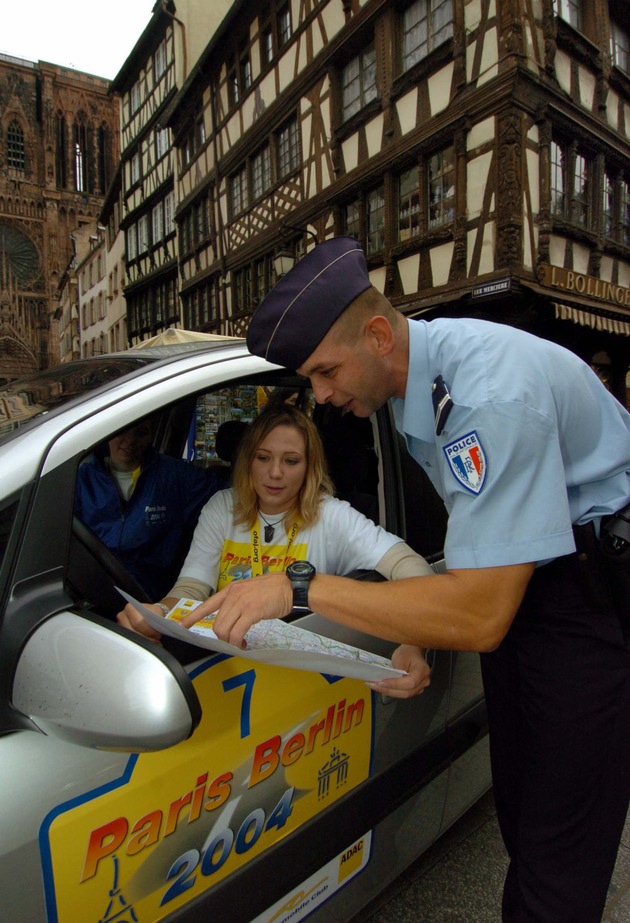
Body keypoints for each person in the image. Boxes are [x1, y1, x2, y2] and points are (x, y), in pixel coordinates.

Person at [184, 237, 630, 923]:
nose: (324, 397)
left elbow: (481, 615)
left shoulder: (486, 394)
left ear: (380, 335)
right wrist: (415, 627)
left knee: (557, 864)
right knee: (524, 815)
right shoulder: (412, 385)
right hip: (534, 586)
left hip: (591, 600)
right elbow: (474, 536)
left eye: (328, 372)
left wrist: (299, 588)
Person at [117, 401, 434, 699]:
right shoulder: (222, 507)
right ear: (248, 460)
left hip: (307, 683)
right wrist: (159, 613)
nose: (275, 473)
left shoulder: (332, 515)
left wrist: (414, 642)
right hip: (230, 673)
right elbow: (193, 587)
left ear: (310, 466)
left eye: (291, 460)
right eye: (263, 457)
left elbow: (412, 567)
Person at [75, 416, 221, 600]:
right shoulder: (81, 479)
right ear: (108, 433)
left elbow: (229, 496)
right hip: (92, 590)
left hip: (151, 595)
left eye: (141, 433)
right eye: (122, 432)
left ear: (151, 436)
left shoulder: (174, 475)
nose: (130, 441)